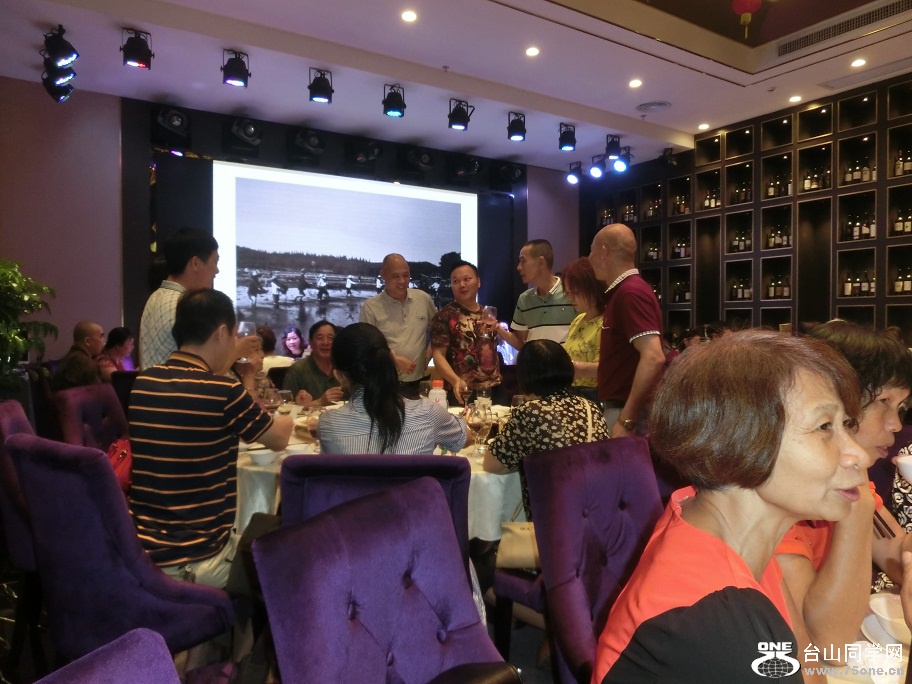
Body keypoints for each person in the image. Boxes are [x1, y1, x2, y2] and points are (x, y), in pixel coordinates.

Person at [592, 330, 865, 683]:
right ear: (737, 438)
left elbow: (807, 666)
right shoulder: (718, 622)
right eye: (824, 426)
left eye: (846, 425)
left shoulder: (722, 532)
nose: (858, 454)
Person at [129, 288, 292, 588]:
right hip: (199, 560)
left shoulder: (143, 382)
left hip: (141, 555)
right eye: (233, 337)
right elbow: (279, 439)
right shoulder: (223, 392)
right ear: (221, 333)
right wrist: (288, 415)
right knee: (288, 545)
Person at [775, 320, 912, 655]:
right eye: (883, 401)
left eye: (901, 408)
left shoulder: (852, 481)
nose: (896, 424)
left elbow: (897, 555)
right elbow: (827, 643)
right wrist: (858, 506)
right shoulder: (779, 496)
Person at [484, 340, 609, 519]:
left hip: (556, 518)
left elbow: (492, 465)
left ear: (524, 376)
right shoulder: (590, 407)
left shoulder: (531, 411)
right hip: (599, 511)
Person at [318, 323, 466, 455]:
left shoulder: (328, 425)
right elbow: (464, 438)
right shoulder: (427, 412)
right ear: (390, 360)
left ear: (340, 376)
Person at [589, 223, 665, 437]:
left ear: (604, 252)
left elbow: (653, 357)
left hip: (627, 412)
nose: (589, 259)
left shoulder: (630, 293)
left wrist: (626, 420)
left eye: (591, 251)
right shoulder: (627, 291)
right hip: (625, 410)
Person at [139, 228, 220, 369]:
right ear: (196, 263)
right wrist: (237, 350)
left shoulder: (156, 296)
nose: (216, 271)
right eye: (215, 262)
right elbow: (200, 372)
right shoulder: (183, 306)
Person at [359, 253, 437, 399]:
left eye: (406, 275)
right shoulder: (371, 307)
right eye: (395, 276)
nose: (402, 281)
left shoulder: (422, 298)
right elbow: (366, 346)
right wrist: (393, 358)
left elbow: (439, 330)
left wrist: (429, 354)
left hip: (419, 383)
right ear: (383, 275)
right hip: (386, 384)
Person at [429, 260, 502, 405]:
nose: (462, 285)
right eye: (456, 281)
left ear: (478, 282)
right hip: (462, 391)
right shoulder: (444, 316)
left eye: (467, 279)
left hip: (495, 389)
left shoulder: (487, 314)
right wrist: (456, 381)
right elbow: (438, 355)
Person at [497, 239, 576, 351]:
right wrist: (497, 328)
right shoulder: (525, 299)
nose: (519, 267)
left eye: (523, 261)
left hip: (567, 362)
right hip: (535, 362)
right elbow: (522, 344)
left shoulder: (570, 292)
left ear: (541, 262)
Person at [558, 257, 606, 402]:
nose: (571, 298)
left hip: (595, 395)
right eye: (568, 293)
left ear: (591, 287)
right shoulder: (578, 320)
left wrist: (575, 368)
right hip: (572, 393)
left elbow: (608, 368)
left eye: (575, 292)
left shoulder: (606, 321)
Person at [283, 320, 342, 407]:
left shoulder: (344, 367)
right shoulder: (298, 370)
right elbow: (285, 407)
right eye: (320, 338)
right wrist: (319, 402)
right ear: (310, 342)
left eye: (330, 338)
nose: (325, 342)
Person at [52, 321, 106, 390]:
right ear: (87, 341)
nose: (104, 341)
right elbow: (99, 393)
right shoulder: (84, 363)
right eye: (101, 336)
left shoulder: (72, 357)